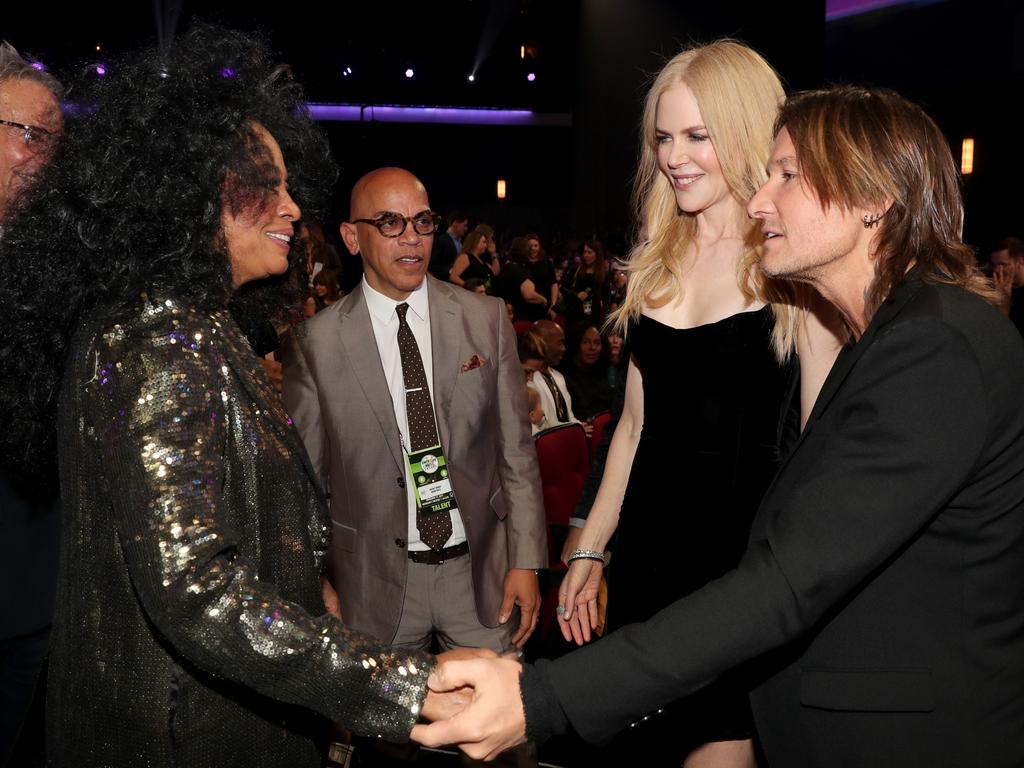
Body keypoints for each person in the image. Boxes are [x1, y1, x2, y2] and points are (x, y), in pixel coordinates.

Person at [413, 85, 1024, 768]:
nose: (761, 200)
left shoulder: (933, 348)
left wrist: (543, 697)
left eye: (788, 174)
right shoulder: (891, 340)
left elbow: (791, 580)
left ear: (874, 197)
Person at [0, 26, 455, 768]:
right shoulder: (156, 338)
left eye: (287, 186)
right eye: (265, 186)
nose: (289, 209)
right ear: (191, 191)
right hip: (180, 732)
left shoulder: (193, 322)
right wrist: (395, 685)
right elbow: (194, 591)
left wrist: (309, 595)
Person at [556, 41, 833, 768]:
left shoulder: (792, 264)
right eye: (664, 138)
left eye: (696, 136)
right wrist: (591, 543)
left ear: (743, 135)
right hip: (647, 562)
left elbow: (822, 447)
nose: (674, 156)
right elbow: (635, 428)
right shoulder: (656, 257)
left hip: (741, 579)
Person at [281, 167, 546, 660]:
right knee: (381, 737)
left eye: (422, 222)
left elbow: (517, 452)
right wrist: (314, 580)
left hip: (479, 573)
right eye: (389, 223)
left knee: (504, 730)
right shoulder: (314, 345)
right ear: (351, 237)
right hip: (371, 583)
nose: (412, 239)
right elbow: (305, 483)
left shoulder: (484, 319)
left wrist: (526, 561)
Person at [0, 41, 63, 765]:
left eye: (56, 141)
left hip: (35, 594)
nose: (45, 156)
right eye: (30, 134)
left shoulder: (57, 262)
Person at [558, 323, 613, 422]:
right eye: (585, 342)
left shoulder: (603, 372)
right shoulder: (562, 377)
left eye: (597, 343)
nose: (592, 348)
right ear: (575, 344)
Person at [500, 236, 551, 322]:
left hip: (511, 314)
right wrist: (543, 300)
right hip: (523, 318)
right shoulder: (519, 270)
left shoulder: (507, 266)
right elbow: (529, 295)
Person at [561, 240, 608, 325]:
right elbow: (564, 288)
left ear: (597, 254)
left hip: (593, 317)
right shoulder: (575, 270)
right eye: (584, 252)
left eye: (589, 252)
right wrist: (576, 294)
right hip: (575, 314)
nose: (585, 255)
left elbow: (606, 298)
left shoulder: (603, 274)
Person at [991, 236, 1024, 336]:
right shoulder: (1000, 287)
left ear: (1020, 262)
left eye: (1003, 264)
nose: (996, 270)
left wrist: (1003, 305)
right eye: (994, 265)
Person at [450, 227, 497, 291]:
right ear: (475, 242)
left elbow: (495, 273)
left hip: (483, 297)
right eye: (484, 242)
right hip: (469, 295)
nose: (486, 245)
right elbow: (453, 277)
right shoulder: (465, 257)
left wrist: (493, 254)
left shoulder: (483, 261)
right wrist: (473, 288)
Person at [429, 209, 468, 280]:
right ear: (455, 223)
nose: (466, 228)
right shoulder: (441, 241)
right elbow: (432, 265)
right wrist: (450, 270)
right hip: (445, 284)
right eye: (464, 225)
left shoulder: (462, 242)